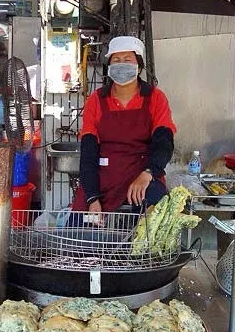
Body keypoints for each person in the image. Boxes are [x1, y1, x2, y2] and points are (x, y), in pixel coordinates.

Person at [72, 36, 176, 214]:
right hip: (103, 180)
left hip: (142, 176)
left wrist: (149, 172)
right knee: (79, 232)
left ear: (139, 66)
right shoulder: (96, 100)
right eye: (116, 60)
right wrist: (92, 197)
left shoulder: (155, 98)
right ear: (109, 66)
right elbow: (88, 152)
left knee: (155, 228)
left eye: (127, 60)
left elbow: (164, 142)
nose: (122, 64)